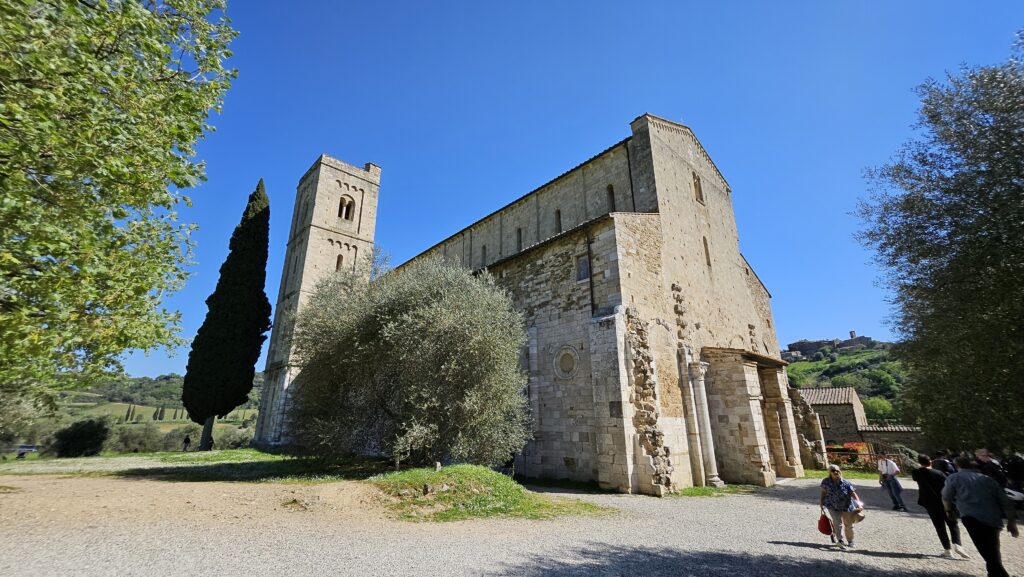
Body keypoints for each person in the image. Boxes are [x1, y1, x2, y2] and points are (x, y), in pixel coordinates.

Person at [943, 455, 1019, 577]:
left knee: (988, 553)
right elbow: (1005, 501)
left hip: (972, 518)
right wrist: (1011, 522)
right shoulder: (987, 479)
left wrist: (948, 511)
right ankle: (993, 574)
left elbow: (946, 497)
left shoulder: (954, 478)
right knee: (992, 551)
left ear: (957, 465)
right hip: (993, 519)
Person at [912, 454, 969, 559]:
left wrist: (921, 465)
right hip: (943, 501)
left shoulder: (916, 473)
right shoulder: (939, 473)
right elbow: (947, 486)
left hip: (930, 503)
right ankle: (957, 544)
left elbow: (916, 474)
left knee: (939, 527)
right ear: (931, 462)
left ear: (920, 463)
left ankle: (947, 550)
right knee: (953, 524)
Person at [820, 463, 865, 550]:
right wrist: (821, 502)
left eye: (837, 470)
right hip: (832, 505)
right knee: (837, 523)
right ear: (830, 472)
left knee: (848, 524)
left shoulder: (845, 482)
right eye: (833, 471)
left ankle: (850, 541)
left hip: (846, 506)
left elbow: (853, 493)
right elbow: (823, 492)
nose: (836, 472)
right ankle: (840, 540)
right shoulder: (825, 481)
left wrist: (859, 503)